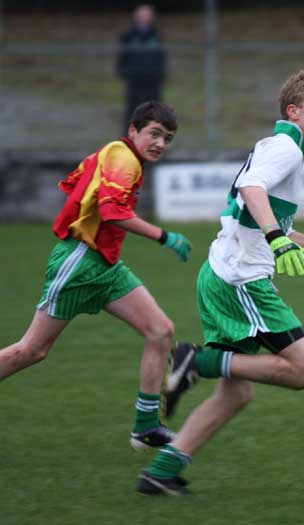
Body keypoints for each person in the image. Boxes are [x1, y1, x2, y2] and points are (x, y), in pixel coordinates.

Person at [137, 70, 304, 496]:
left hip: (222, 276)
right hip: (240, 282)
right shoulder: (284, 148)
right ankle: (197, 362)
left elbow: (278, 230)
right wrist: (275, 239)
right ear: (293, 111)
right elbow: (253, 190)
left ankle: (162, 471)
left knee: (236, 396)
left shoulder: (283, 149)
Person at [0, 100, 192, 452]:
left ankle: (146, 427)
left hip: (104, 265)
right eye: (154, 134)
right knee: (32, 350)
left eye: (167, 138)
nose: (160, 144)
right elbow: (112, 211)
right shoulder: (124, 158)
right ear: (133, 130)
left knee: (160, 330)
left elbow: (78, 181)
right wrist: (164, 236)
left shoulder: (117, 154)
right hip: (79, 262)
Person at [117, 4, 167, 134]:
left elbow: (161, 58)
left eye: (148, 15)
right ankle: (128, 145)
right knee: (133, 113)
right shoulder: (128, 37)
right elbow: (122, 58)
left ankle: (154, 143)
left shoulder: (156, 36)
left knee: (154, 115)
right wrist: (126, 73)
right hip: (135, 82)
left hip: (153, 82)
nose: (145, 18)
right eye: (142, 15)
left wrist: (160, 75)